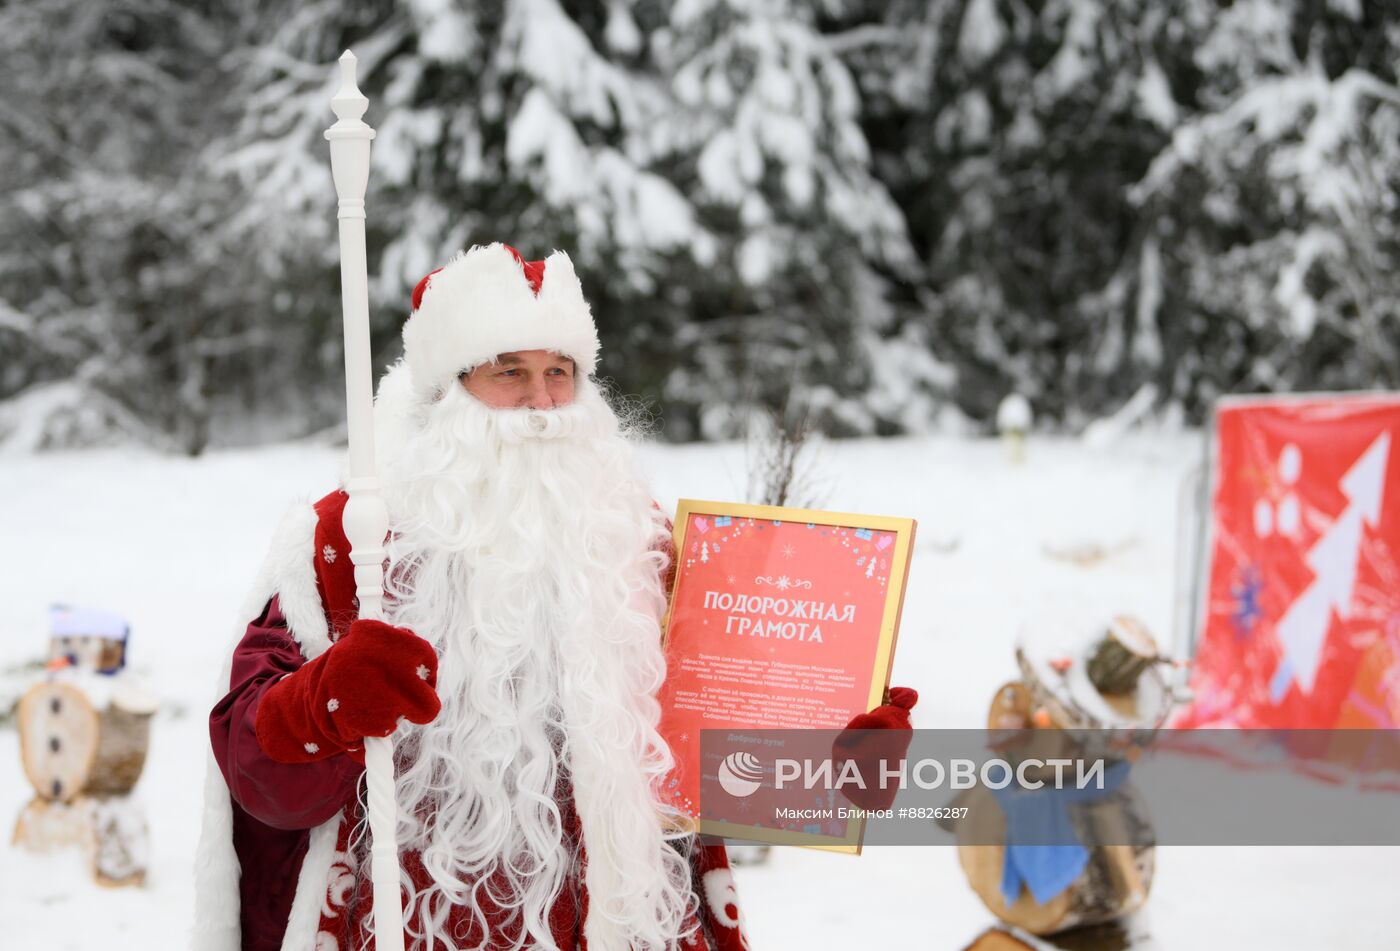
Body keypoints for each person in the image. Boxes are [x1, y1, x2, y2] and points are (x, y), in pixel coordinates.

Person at [192, 242, 916, 951]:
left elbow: (716, 753)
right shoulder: (348, 545)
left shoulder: (635, 539)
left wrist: (831, 762)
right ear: (449, 392)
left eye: (559, 371)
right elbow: (254, 768)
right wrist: (325, 702)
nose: (542, 401)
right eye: (510, 371)